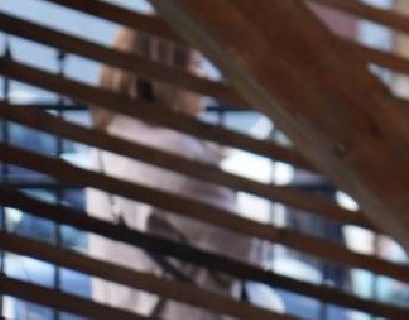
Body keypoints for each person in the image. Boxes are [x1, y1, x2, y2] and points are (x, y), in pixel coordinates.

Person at [86, 26, 280, 316]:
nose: (206, 77)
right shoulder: (175, 155)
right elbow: (242, 250)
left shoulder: (112, 142)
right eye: (197, 64)